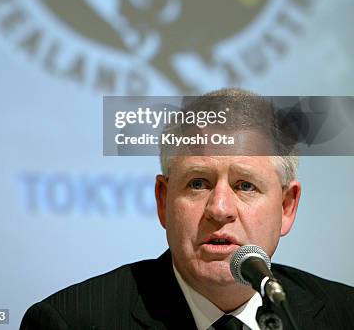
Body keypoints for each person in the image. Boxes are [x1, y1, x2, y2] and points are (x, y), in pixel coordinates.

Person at [20, 89, 354, 329]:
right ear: (163, 201)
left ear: (287, 206)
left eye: (245, 185)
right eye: (198, 183)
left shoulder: (344, 315)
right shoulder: (69, 322)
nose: (220, 209)